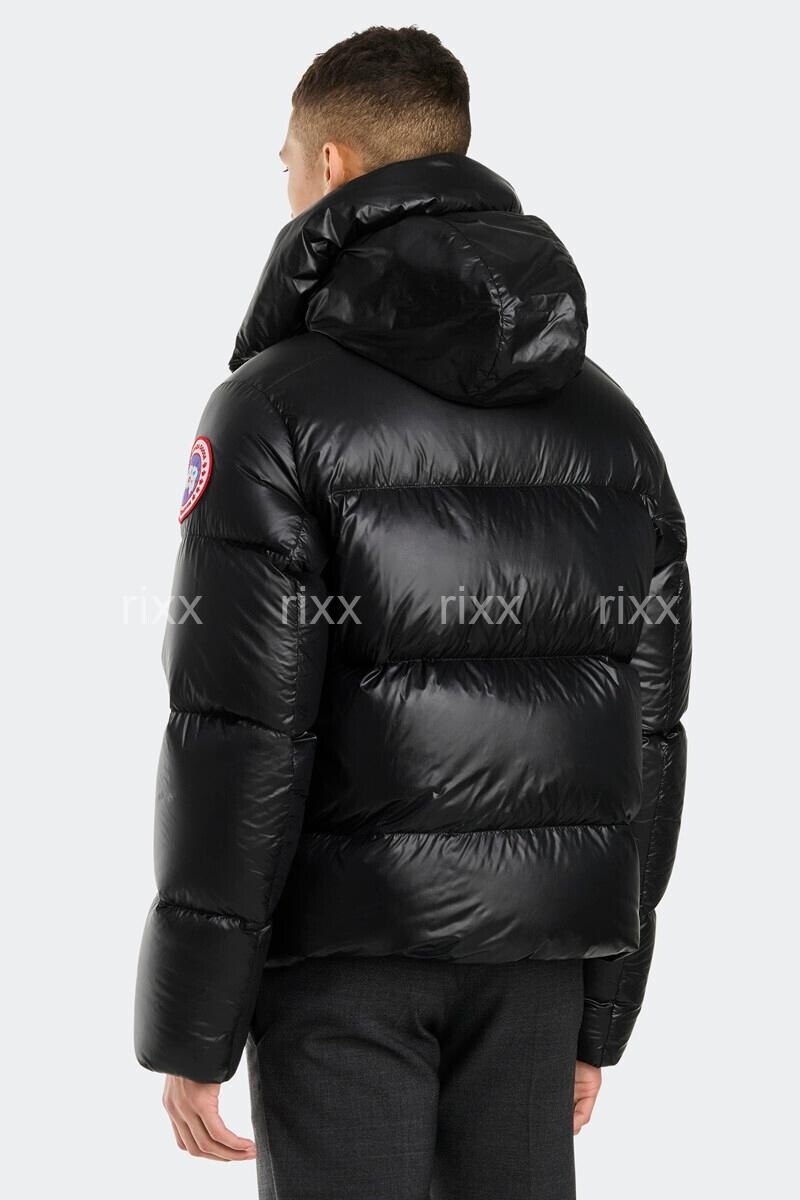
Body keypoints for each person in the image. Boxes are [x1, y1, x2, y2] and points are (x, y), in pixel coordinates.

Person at [134, 25, 691, 1200]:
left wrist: (193, 1024)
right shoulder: (608, 423)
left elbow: (241, 732)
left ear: (332, 165)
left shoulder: (271, 411)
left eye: (286, 162)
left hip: (345, 963)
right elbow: (646, 729)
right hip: (537, 964)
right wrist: (598, 1006)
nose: (285, 184)